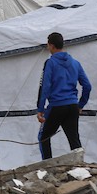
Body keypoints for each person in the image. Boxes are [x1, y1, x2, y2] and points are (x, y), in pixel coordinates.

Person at [35, 32, 91, 161]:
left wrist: (40, 109)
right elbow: (87, 86)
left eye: (48, 45)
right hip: (72, 106)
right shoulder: (75, 63)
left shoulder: (50, 63)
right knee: (74, 139)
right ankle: (80, 165)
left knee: (43, 137)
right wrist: (80, 105)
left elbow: (45, 87)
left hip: (56, 106)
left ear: (52, 45)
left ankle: (47, 166)